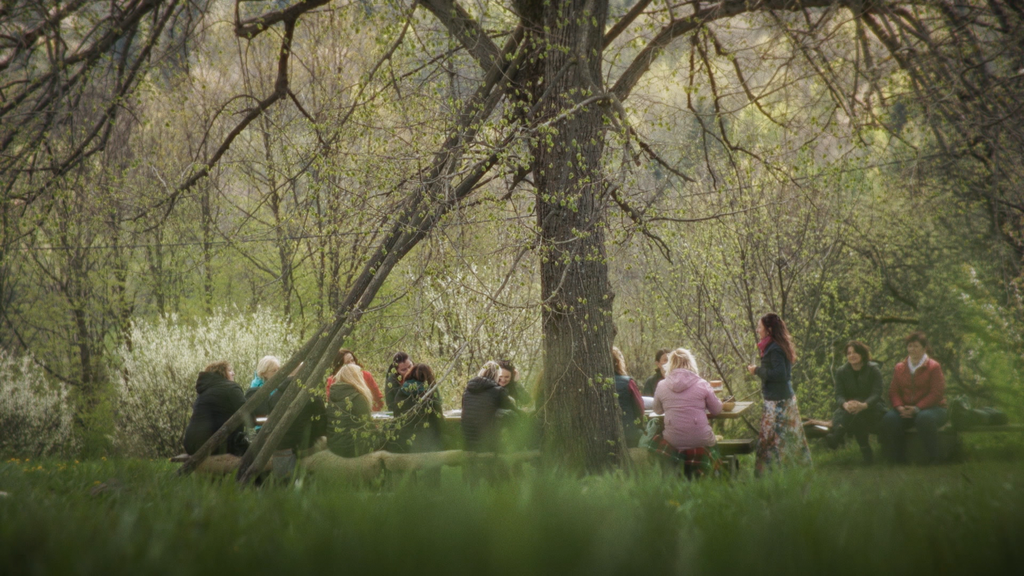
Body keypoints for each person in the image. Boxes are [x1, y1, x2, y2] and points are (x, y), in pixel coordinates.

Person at [746, 313, 812, 474]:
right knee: (786, 437)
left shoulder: (774, 348)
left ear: (768, 329)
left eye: (760, 327)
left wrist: (757, 371)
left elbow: (780, 374)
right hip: (780, 398)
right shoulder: (775, 345)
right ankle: (784, 472)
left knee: (776, 439)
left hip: (779, 402)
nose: (758, 330)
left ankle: (771, 473)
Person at [651, 348, 723, 479]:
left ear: (670, 365)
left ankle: (676, 477)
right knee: (712, 441)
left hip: (672, 441)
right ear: (691, 363)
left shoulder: (661, 385)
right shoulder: (702, 384)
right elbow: (717, 410)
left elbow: (657, 410)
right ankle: (717, 475)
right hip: (700, 439)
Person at [880, 331, 948, 464]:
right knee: (889, 419)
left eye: (916, 346)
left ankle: (934, 458)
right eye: (910, 346)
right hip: (905, 409)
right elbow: (893, 391)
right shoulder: (900, 367)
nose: (913, 349)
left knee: (924, 418)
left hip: (933, 409)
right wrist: (899, 408)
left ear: (924, 348)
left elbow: (937, 393)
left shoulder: (933, 367)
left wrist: (917, 408)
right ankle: (897, 459)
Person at [825, 341, 885, 464]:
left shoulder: (874, 370)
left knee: (858, 411)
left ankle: (837, 436)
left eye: (855, 352)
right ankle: (866, 452)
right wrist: (845, 404)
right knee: (855, 413)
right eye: (849, 353)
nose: (852, 355)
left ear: (862, 354)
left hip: (872, 407)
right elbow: (839, 395)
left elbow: (876, 394)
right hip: (849, 409)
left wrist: (863, 405)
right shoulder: (841, 372)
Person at [183, 361, 248, 456]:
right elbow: (248, 413)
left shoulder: (205, 390)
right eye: (230, 370)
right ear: (221, 373)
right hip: (215, 445)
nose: (233, 373)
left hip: (192, 445)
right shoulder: (231, 388)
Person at [462, 361, 517, 452]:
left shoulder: (467, 390)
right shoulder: (497, 391)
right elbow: (514, 410)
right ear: (496, 375)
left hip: (467, 441)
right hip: (488, 443)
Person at [325, 363, 377, 457]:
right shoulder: (357, 397)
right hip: (352, 448)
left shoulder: (333, 395)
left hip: (334, 446)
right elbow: (368, 426)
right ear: (355, 377)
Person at [390, 362, 444, 453]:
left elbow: (396, 414)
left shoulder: (401, 392)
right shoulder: (430, 394)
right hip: (428, 443)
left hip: (403, 442)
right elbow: (439, 421)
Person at [611, 346, 645, 447]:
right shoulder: (628, 382)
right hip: (628, 433)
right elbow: (640, 408)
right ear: (619, 362)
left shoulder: (595, 383)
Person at [246, 355, 281, 430]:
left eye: (279, 369)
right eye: (274, 371)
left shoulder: (280, 383)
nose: (278, 373)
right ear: (263, 373)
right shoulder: (256, 389)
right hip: (263, 429)